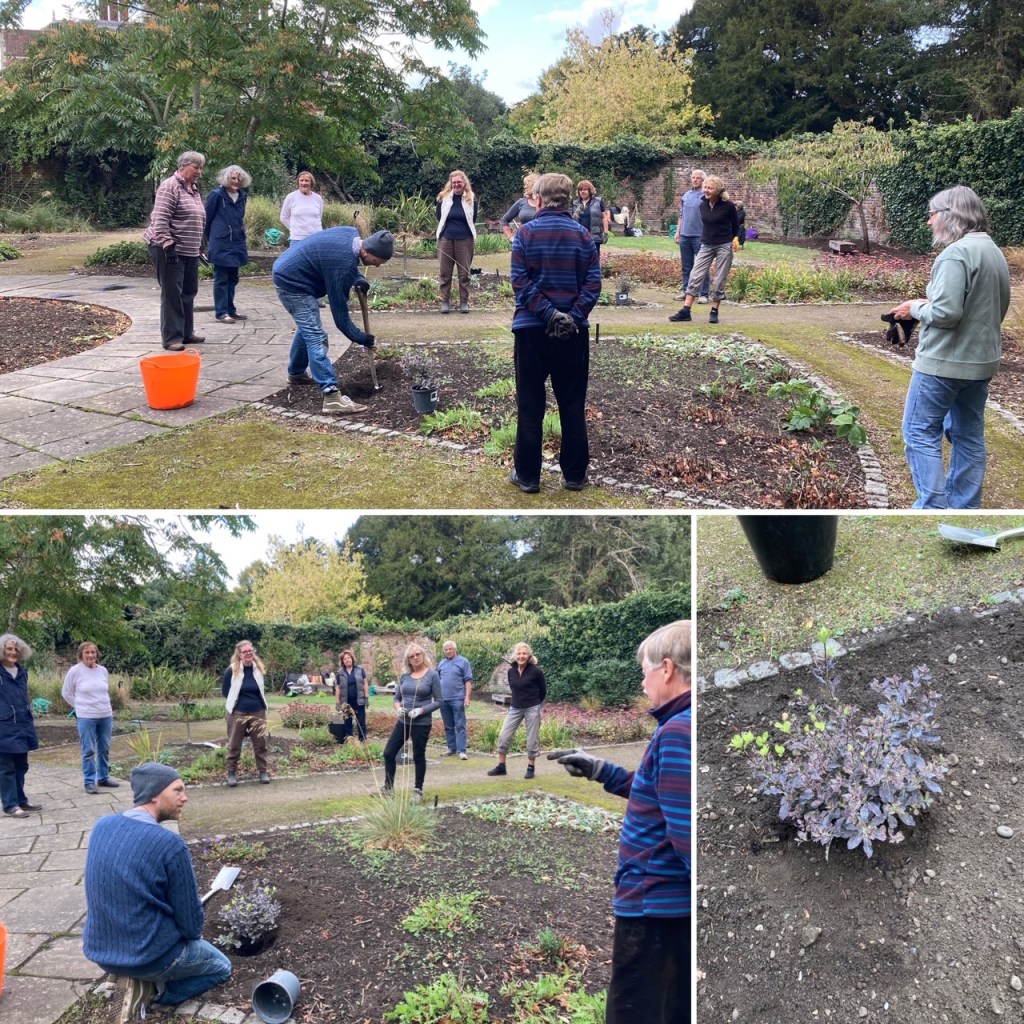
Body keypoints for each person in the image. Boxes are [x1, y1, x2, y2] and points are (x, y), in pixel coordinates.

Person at [547, 619, 692, 1024]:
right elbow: (662, 795)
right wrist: (601, 771)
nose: (642, 681)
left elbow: (688, 838)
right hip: (663, 907)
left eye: (644, 670)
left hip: (655, 911)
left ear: (666, 669)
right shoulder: (678, 724)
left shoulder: (678, 730)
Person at [890, 185, 1010, 508]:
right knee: (968, 436)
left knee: (918, 432)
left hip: (943, 364)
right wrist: (923, 304)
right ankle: (966, 508)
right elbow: (988, 306)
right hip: (981, 363)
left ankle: (932, 508)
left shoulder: (955, 254)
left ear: (950, 216)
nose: (929, 222)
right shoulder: (993, 252)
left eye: (932, 215)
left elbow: (946, 313)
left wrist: (915, 309)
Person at [83, 762, 233, 1018]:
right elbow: (191, 927)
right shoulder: (169, 844)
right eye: (178, 790)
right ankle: (160, 997)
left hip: (101, 952)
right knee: (221, 966)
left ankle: (143, 979)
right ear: (154, 793)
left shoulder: (102, 826)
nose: (185, 798)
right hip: (147, 957)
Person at [509, 172, 601, 494]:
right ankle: (575, 475)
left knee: (531, 405)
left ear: (538, 199)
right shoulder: (584, 237)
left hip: (531, 331)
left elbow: (520, 283)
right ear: (567, 199)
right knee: (572, 404)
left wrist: (548, 314)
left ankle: (528, 476)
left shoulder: (525, 235)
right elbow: (593, 283)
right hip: (572, 335)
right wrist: (571, 317)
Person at [271, 226, 395, 414]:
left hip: (292, 273)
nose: (377, 266)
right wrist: (359, 336)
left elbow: (340, 262)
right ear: (366, 251)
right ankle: (331, 396)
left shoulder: (350, 235)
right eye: (377, 261)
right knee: (316, 336)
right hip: (292, 283)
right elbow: (340, 314)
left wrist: (358, 279)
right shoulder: (342, 263)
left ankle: (296, 373)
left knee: (308, 327)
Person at [143, 151, 207, 351]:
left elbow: (195, 219)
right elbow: (160, 220)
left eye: (201, 168)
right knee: (173, 294)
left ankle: (187, 333)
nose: (199, 172)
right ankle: (171, 338)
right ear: (184, 166)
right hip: (168, 250)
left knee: (189, 291)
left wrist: (200, 246)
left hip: (189, 250)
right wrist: (168, 246)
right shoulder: (169, 186)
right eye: (196, 167)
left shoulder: (193, 189)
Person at [669, 175, 739, 326]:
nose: (706, 190)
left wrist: (733, 239)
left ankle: (714, 311)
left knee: (720, 278)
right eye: (705, 187)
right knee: (695, 275)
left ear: (718, 190)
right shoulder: (703, 205)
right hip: (706, 244)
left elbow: (735, 225)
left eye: (709, 188)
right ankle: (685, 311)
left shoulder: (728, 206)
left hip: (724, 245)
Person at [382, 643, 441, 801]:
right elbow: (397, 698)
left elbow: (439, 701)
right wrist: (398, 707)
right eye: (411, 656)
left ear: (423, 655)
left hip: (421, 723)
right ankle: (388, 788)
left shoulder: (432, 676)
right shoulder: (404, 677)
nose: (415, 658)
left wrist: (421, 710)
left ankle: (418, 790)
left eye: (418, 654)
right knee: (388, 753)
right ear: (408, 660)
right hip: (403, 721)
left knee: (418, 755)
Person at [62, 641, 119, 795]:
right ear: (81, 655)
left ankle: (103, 777)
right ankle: (89, 781)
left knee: (104, 748)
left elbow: (103, 691)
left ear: (97, 654)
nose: (90, 655)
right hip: (86, 717)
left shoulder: (103, 671)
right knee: (88, 750)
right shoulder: (75, 671)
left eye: (93, 652)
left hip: (105, 715)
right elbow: (66, 692)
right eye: (87, 652)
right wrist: (78, 706)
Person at [486, 641, 546, 780]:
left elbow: (543, 691)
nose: (521, 656)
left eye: (524, 653)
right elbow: (514, 689)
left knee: (532, 739)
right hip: (515, 708)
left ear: (529, 655)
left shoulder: (536, 672)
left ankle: (531, 767)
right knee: (503, 735)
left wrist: (535, 704)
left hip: (532, 707)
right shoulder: (511, 671)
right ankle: (501, 766)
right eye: (519, 653)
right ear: (515, 655)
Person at [204, 164, 251, 324]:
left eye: (238, 178)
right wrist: (211, 239)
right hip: (221, 242)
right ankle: (221, 312)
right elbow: (206, 219)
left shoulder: (242, 196)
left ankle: (231, 309)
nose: (236, 181)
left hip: (237, 241)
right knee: (221, 278)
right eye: (233, 178)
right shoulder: (216, 195)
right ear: (226, 179)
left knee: (233, 278)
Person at [0, 633, 41, 818]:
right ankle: (10, 805)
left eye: (16, 649)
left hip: (23, 725)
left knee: (21, 765)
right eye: (9, 648)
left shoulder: (22, 671)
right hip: (4, 726)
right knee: (6, 767)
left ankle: (21, 799)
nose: (13, 652)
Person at [221, 639, 270, 787]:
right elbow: (225, 691)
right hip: (238, 712)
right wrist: (236, 705)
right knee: (234, 744)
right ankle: (231, 773)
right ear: (239, 654)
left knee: (260, 743)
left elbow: (260, 690)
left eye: (250, 650)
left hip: (258, 711)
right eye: (245, 651)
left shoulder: (258, 668)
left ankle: (263, 771)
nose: (248, 653)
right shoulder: (232, 669)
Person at [436, 170, 478, 314]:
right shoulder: (444, 198)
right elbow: (439, 217)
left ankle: (464, 302)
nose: (456, 185)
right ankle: (445, 301)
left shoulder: (471, 198)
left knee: (464, 273)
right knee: (445, 272)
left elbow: (473, 218)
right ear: (451, 183)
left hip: (465, 240)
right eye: (454, 182)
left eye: (459, 182)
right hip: (446, 239)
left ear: (464, 182)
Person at [674, 168, 709, 302]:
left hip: (700, 236)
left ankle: (704, 294)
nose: (695, 180)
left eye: (698, 178)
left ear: (703, 180)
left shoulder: (705, 196)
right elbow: (681, 215)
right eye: (693, 177)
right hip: (685, 235)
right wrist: (678, 232)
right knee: (686, 266)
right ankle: (686, 291)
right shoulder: (686, 195)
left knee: (702, 266)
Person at [437, 640, 473, 759]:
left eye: (450, 649)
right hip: (444, 699)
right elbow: (437, 681)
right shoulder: (441, 663)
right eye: (446, 649)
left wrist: (467, 697)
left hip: (457, 698)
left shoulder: (463, 662)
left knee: (460, 725)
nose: (448, 651)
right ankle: (451, 748)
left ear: (455, 649)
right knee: (448, 726)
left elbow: (468, 680)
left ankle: (461, 751)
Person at [279, 171, 325, 245]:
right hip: (297, 240)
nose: (304, 183)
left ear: (311, 183)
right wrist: (295, 230)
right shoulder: (291, 197)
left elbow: (319, 217)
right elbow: (284, 217)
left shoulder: (318, 198)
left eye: (306, 181)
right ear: (298, 182)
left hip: (316, 238)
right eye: (301, 180)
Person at [571, 180, 610, 262]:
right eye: (580, 190)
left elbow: (604, 217)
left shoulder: (598, 202)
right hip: (579, 237)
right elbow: (572, 220)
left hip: (594, 236)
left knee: (594, 260)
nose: (583, 192)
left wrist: (606, 232)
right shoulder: (575, 203)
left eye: (585, 190)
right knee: (580, 260)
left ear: (590, 191)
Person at [334, 649, 369, 742]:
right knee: (347, 721)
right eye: (344, 659)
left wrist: (366, 697)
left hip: (359, 700)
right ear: (342, 661)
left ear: (352, 659)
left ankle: (362, 740)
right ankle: (350, 740)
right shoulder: (340, 673)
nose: (347, 660)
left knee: (361, 721)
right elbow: (338, 688)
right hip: (346, 701)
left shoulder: (360, 669)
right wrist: (337, 702)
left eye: (348, 658)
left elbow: (365, 683)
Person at [500, 173, 540, 241]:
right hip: (523, 242)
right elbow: (504, 220)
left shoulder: (545, 203)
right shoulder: (521, 202)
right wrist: (510, 237)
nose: (525, 187)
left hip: (541, 242)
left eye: (527, 184)